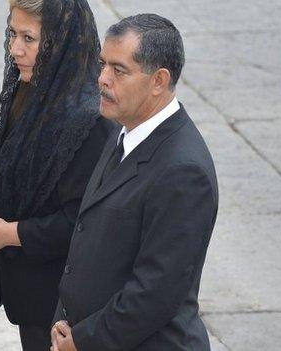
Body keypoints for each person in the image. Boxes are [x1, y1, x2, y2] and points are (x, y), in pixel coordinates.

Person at [0, 0, 115, 349]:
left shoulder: (89, 122)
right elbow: (31, 182)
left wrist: (7, 233)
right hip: (33, 298)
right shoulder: (30, 94)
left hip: (62, 310)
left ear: (62, 40)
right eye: (12, 34)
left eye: (29, 38)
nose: (15, 49)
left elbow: (83, 224)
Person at [49, 13, 219, 351]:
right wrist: (63, 323)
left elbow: (155, 292)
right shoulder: (124, 130)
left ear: (159, 80)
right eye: (103, 65)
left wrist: (82, 341)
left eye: (119, 70)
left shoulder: (184, 172)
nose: (102, 79)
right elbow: (87, 241)